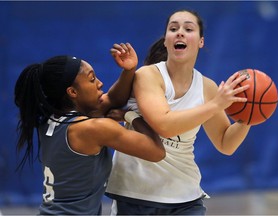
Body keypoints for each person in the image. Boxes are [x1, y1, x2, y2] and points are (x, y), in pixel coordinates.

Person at [105, 10, 252, 215]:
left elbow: (225, 143)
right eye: (173, 29)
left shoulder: (207, 88)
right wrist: (216, 104)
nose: (180, 33)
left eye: (188, 29)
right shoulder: (148, 75)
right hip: (136, 194)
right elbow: (164, 125)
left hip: (185, 196)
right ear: (166, 40)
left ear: (201, 41)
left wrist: (249, 115)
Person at [14, 43, 165, 215]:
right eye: (92, 79)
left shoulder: (51, 120)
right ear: (72, 92)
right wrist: (130, 116)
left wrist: (129, 71)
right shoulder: (90, 129)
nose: (100, 83)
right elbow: (156, 151)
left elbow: (114, 99)